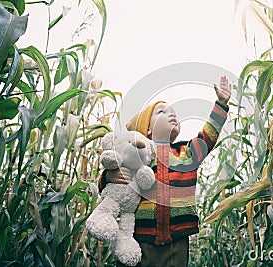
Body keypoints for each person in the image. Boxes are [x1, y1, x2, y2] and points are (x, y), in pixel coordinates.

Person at [99, 76, 232, 267]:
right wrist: (109, 176)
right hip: (139, 240)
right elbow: (109, 188)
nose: (172, 114)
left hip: (178, 242)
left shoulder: (187, 154)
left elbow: (208, 135)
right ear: (148, 129)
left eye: (174, 112)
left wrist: (220, 104)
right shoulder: (138, 154)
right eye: (162, 111)